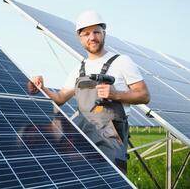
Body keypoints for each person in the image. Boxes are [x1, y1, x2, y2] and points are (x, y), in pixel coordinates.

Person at [27, 10, 150, 173]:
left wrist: (115, 95)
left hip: (112, 136)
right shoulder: (78, 69)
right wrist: (42, 87)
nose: (92, 37)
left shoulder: (122, 62)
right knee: (81, 177)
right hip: (82, 134)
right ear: (80, 38)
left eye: (96, 32)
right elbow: (60, 98)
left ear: (104, 33)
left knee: (110, 178)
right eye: (86, 33)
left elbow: (144, 95)